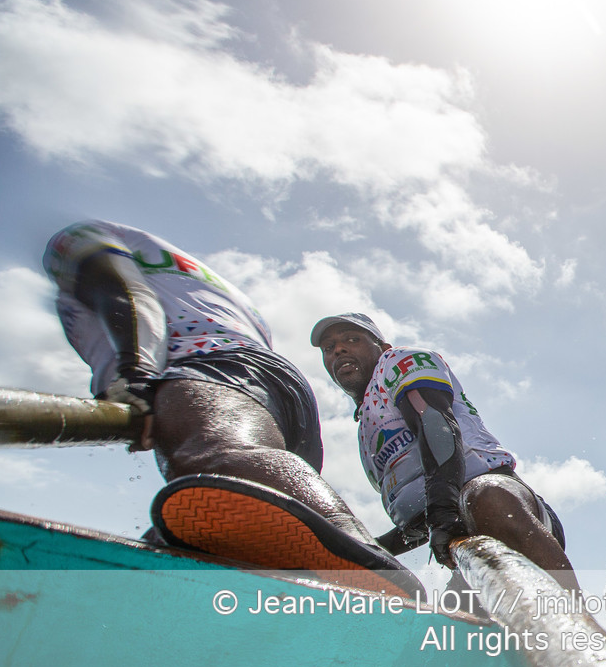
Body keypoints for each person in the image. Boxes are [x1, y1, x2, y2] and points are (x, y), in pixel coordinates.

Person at [43, 221, 408, 585]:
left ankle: (377, 573)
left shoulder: (77, 240)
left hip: (211, 370)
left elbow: (127, 293)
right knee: (219, 525)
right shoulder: (199, 281)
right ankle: (134, 586)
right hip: (275, 399)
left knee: (212, 466)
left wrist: (135, 375)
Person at [311, 313, 576, 589]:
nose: (339, 349)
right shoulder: (366, 425)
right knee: (449, 625)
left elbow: (436, 425)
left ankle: (576, 626)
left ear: (382, 347)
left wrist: (442, 511)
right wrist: (365, 550)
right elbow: (421, 522)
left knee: (483, 497)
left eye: (352, 339)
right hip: (468, 545)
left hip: (507, 507)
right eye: (329, 348)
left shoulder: (397, 362)